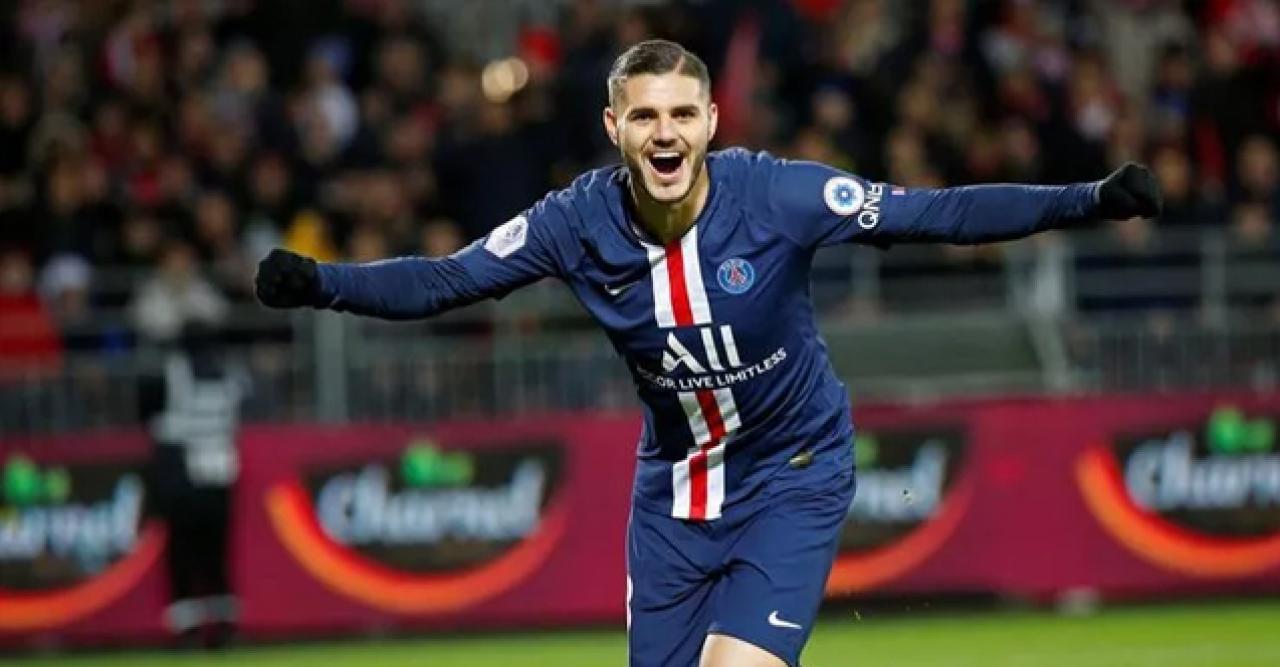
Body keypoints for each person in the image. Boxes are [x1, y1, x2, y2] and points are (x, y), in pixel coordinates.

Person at [254, 40, 1160, 667]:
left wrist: (1087, 198)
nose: (666, 134)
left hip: (795, 472)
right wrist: (324, 283)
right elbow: (449, 279)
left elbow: (937, 213)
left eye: (683, 113)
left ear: (713, 119)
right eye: (645, 116)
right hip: (675, 496)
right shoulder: (574, 222)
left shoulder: (780, 197)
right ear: (614, 126)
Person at [142, 320, 247, 649]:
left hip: (183, 473)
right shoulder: (229, 374)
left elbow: (154, 416)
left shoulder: (173, 372)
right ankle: (224, 626)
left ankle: (187, 629)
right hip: (220, 473)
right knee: (216, 554)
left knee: (183, 553)